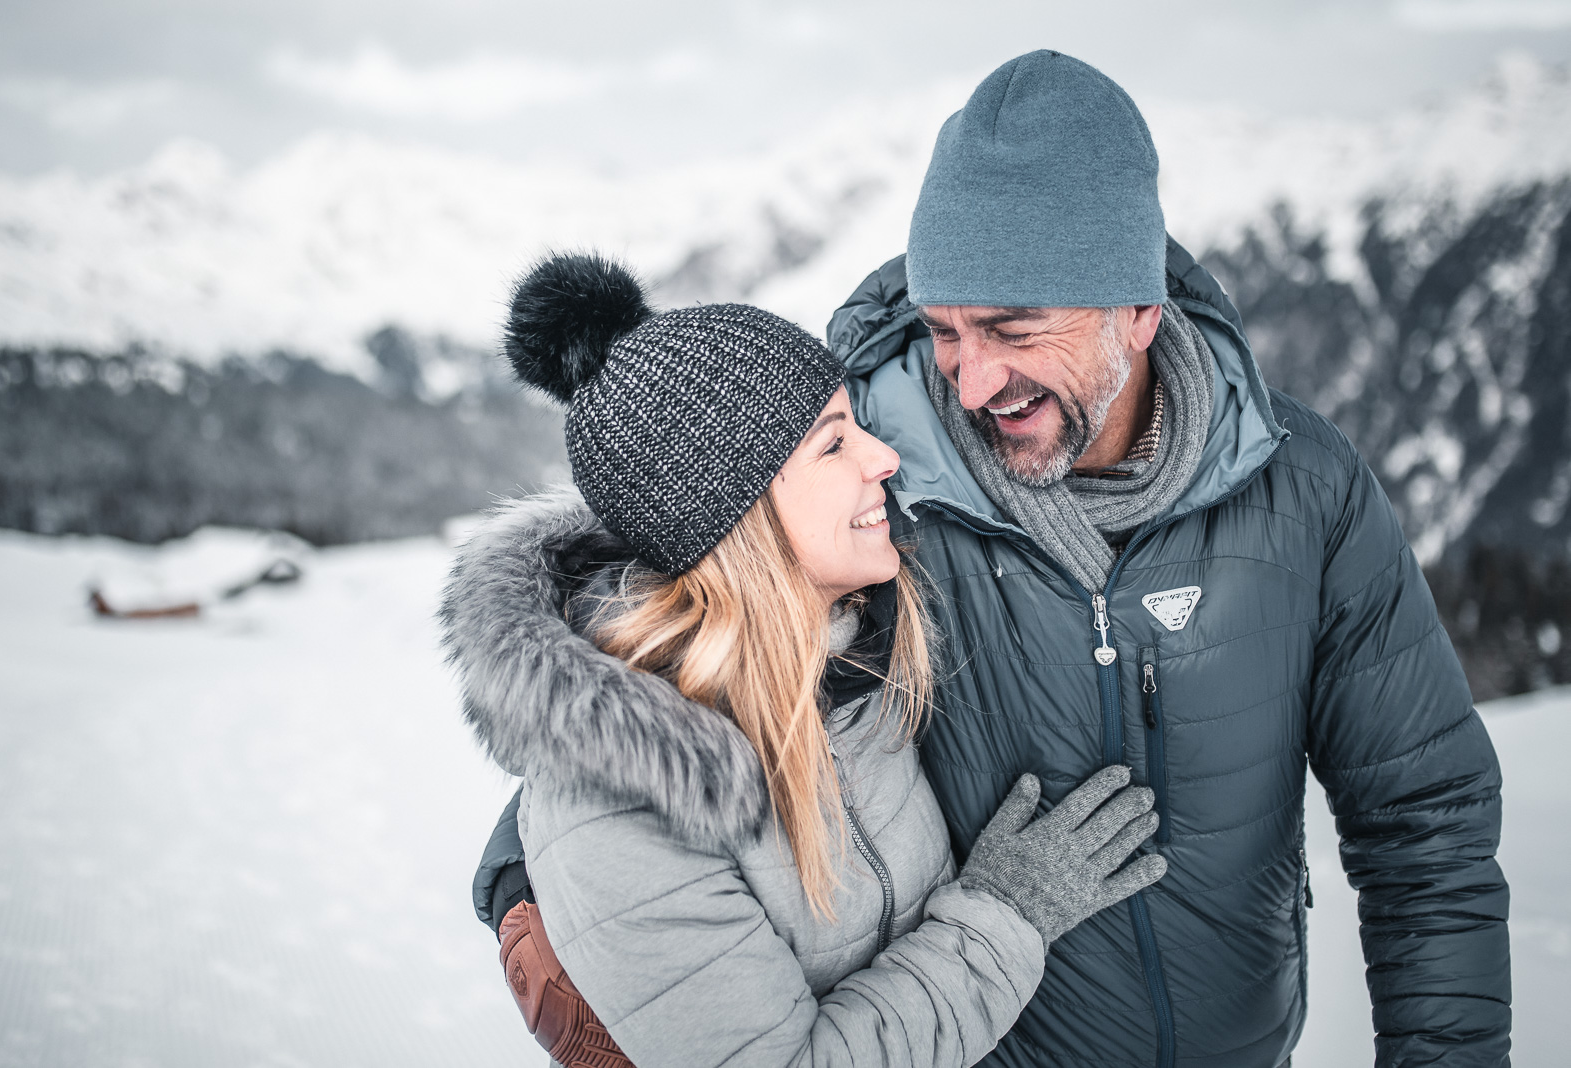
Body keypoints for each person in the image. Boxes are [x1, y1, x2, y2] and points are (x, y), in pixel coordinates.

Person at [474, 51, 1511, 1068]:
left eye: (1011, 328)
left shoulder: (1300, 486)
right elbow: (672, 626)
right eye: (943, 332)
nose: (970, 383)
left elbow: (1422, 823)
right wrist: (534, 896)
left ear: (1136, 311)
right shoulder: (878, 499)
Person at [440, 252, 1167, 1068]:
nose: (882, 459)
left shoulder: (854, 658)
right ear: (736, 521)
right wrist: (1005, 914)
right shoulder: (623, 811)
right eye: (833, 445)